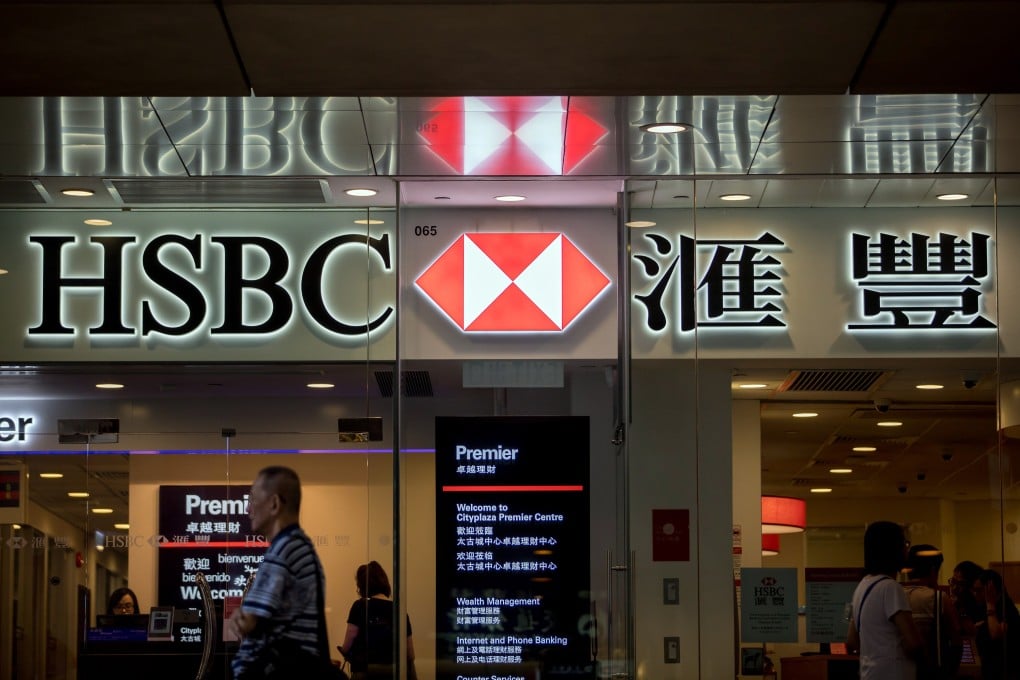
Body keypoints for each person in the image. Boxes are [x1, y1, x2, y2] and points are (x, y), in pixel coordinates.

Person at [228, 466, 339, 680]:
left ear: (274, 504)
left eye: (252, 499)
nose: (248, 509)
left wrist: (239, 616)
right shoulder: (300, 546)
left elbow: (247, 622)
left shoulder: (283, 550)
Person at [847, 521, 922, 680]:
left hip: (869, 674)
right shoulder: (890, 588)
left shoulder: (862, 585)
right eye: (904, 543)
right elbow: (914, 644)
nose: (907, 549)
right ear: (892, 549)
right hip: (893, 673)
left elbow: (852, 641)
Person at [338, 561, 417, 680]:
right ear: (384, 582)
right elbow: (410, 653)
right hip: (393, 673)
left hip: (364, 672)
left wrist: (343, 650)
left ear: (362, 585)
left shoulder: (360, 606)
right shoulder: (399, 610)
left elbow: (350, 637)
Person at [901, 544, 962, 679]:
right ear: (934, 570)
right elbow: (956, 638)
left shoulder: (896, 596)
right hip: (931, 671)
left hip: (901, 670)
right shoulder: (939, 598)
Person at [973, 568, 1020, 679]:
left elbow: (996, 633)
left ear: (991, 589)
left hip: (1004, 671)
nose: (975, 594)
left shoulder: (1006, 608)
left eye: (979, 590)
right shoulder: (984, 606)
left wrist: (990, 604)